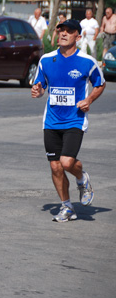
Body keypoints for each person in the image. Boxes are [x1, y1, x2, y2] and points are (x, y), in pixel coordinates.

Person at [31, 19, 105, 222]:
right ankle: (67, 207)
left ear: (78, 37)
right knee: (55, 167)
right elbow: (39, 86)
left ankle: (82, 178)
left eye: (69, 31)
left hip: (75, 120)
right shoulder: (46, 60)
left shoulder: (86, 61)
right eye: (61, 30)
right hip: (51, 121)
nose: (63, 33)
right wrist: (37, 91)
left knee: (66, 162)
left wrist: (89, 99)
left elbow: (100, 84)